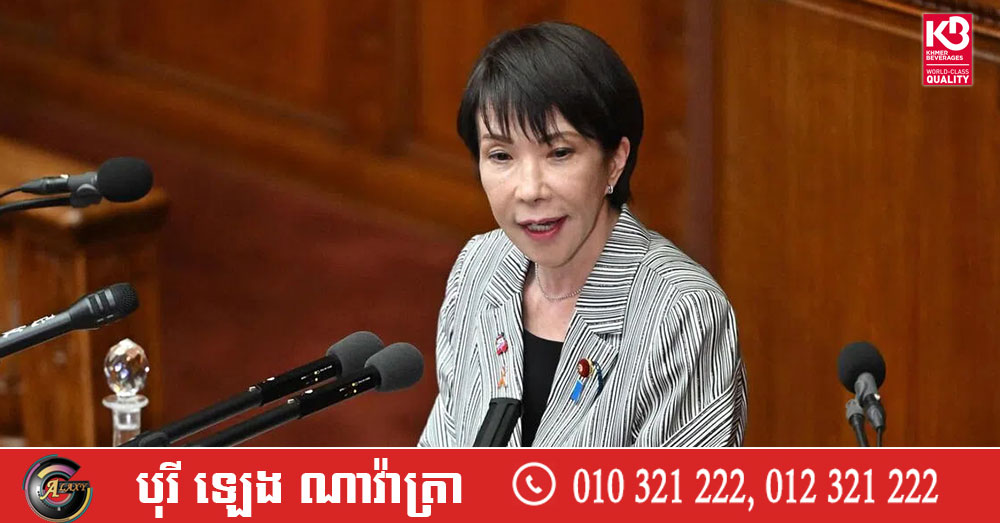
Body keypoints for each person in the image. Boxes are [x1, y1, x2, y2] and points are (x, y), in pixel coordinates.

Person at [418, 22, 746, 447]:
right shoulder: (479, 268)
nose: (530, 190)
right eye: (501, 156)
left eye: (559, 153)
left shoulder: (681, 312)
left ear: (615, 160)